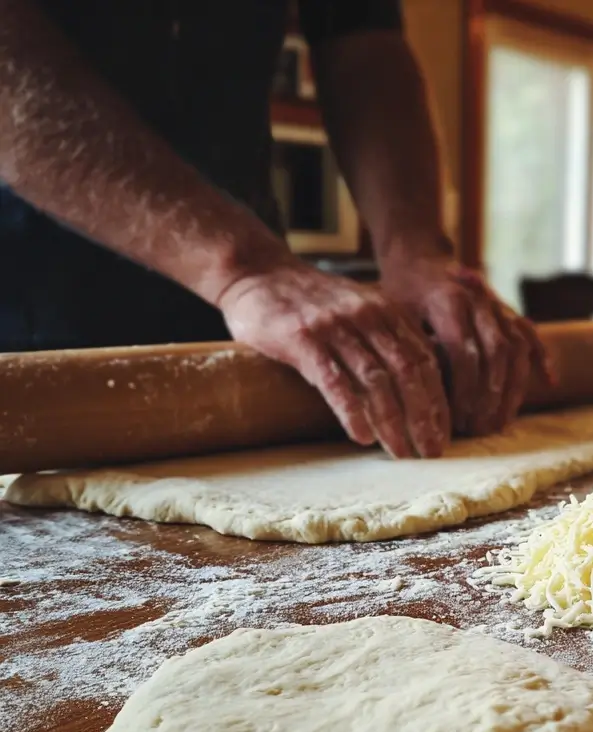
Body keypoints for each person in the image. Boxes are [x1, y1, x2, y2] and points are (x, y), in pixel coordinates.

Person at [0, 0, 545, 459]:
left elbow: (365, 48)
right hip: (28, 332)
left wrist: (418, 254)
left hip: (255, 340)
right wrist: (241, 266)